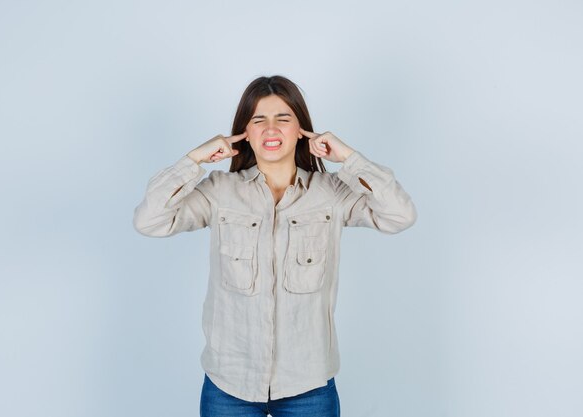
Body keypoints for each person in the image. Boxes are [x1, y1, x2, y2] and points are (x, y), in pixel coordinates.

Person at [133, 75, 417, 417]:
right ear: (244, 133)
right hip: (229, 383)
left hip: (308, 384)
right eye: (258, 120)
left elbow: (400, 215)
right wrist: (193, 160)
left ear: (301, 129)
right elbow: (149, 220)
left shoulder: (332, 193)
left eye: (283, 119)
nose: (271, 129)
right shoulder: (220, 192)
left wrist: (350, 159)